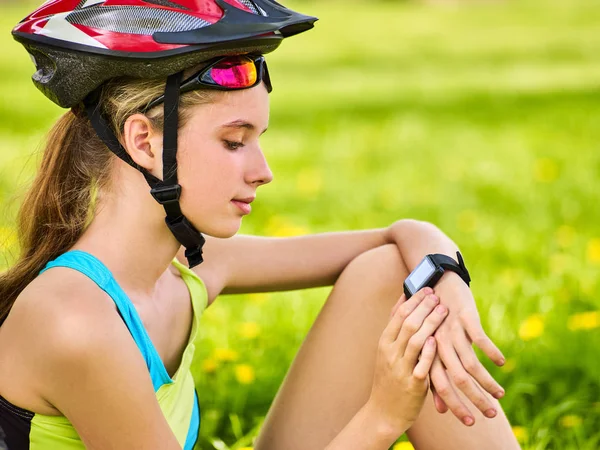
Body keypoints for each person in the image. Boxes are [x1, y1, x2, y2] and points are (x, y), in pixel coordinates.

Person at [0, 0, 520, 448]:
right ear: (145, 143)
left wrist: (444, 275)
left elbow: (394, 240)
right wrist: (384, 417)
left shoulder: (184, 267)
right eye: (234, 141)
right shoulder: (74, 321)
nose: (262, 171)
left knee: (393, 277)